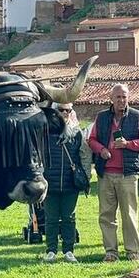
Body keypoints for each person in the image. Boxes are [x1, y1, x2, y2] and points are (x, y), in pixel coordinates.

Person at [88, 84, 139, 262]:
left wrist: (128, 144)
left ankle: (133, 252)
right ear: (111, 99)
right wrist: (101, 150)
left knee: (129, 214)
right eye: (118, 97)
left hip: (128, 174)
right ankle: (111, 252)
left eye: (124, 97)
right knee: (106, 215)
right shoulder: (101, 117)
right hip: (105, 174)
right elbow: (91, 139)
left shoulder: (137, 116)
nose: (121, 100)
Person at [42, 103, 88, 264]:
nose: (65, 113)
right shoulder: (44, 131)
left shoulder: (77, 133)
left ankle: (69, 250)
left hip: (70, 182)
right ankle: (51, 251)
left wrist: (85, 177)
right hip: (50, 181)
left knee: (69, 218)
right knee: (51, 218)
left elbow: (84, 156)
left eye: (68, 110)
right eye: (61, 110)